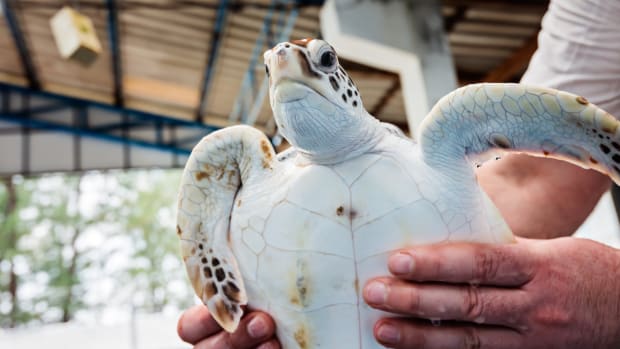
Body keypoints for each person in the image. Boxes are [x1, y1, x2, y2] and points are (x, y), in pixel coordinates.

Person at [176, 0, 620, 347]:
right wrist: (226, 308)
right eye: (274, 68)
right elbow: (529, 180)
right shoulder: (242, 158)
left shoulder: (442, 135)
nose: (290, 67)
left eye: (323, 61)